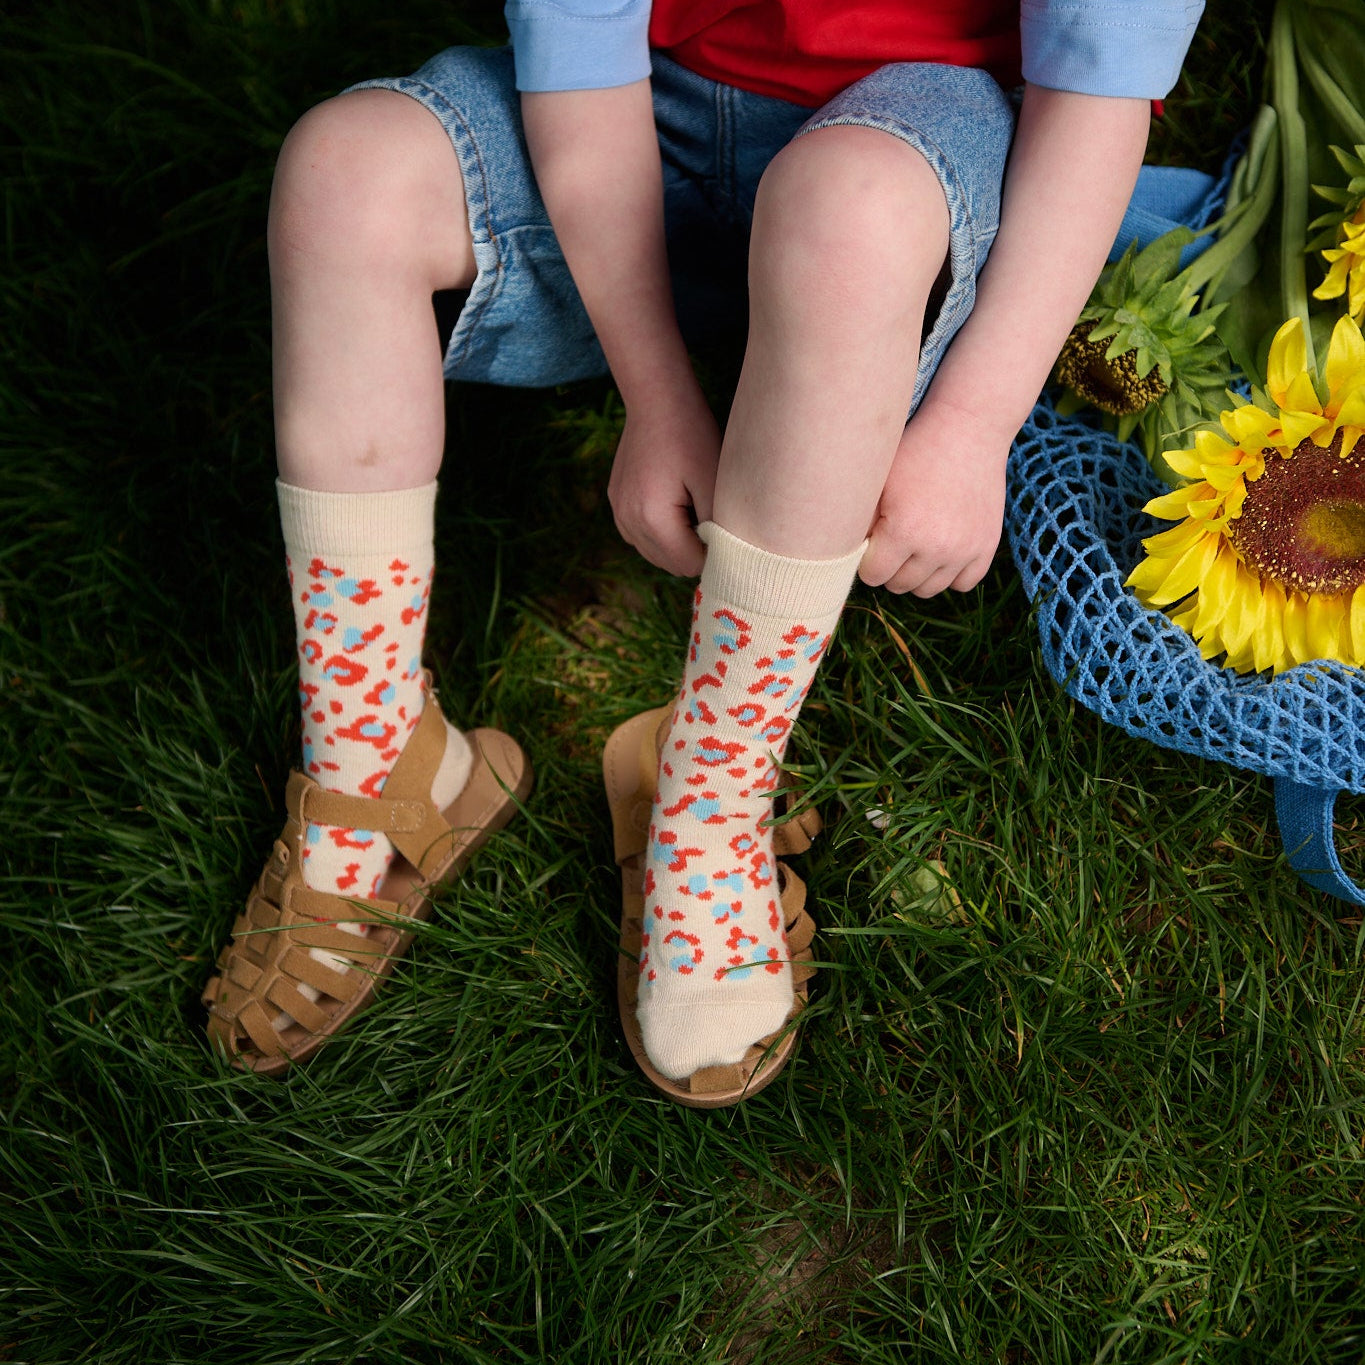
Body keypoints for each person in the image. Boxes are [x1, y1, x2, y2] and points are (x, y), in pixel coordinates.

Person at [202, 0, 1204, 1097]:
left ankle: (715, 796)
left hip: (910, 157)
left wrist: (974, 423)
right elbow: (579, 48)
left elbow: (1097, 92)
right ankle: (375, 759)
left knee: (848, 220)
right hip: (641, 121)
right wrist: (656, 393)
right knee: (345, 177)